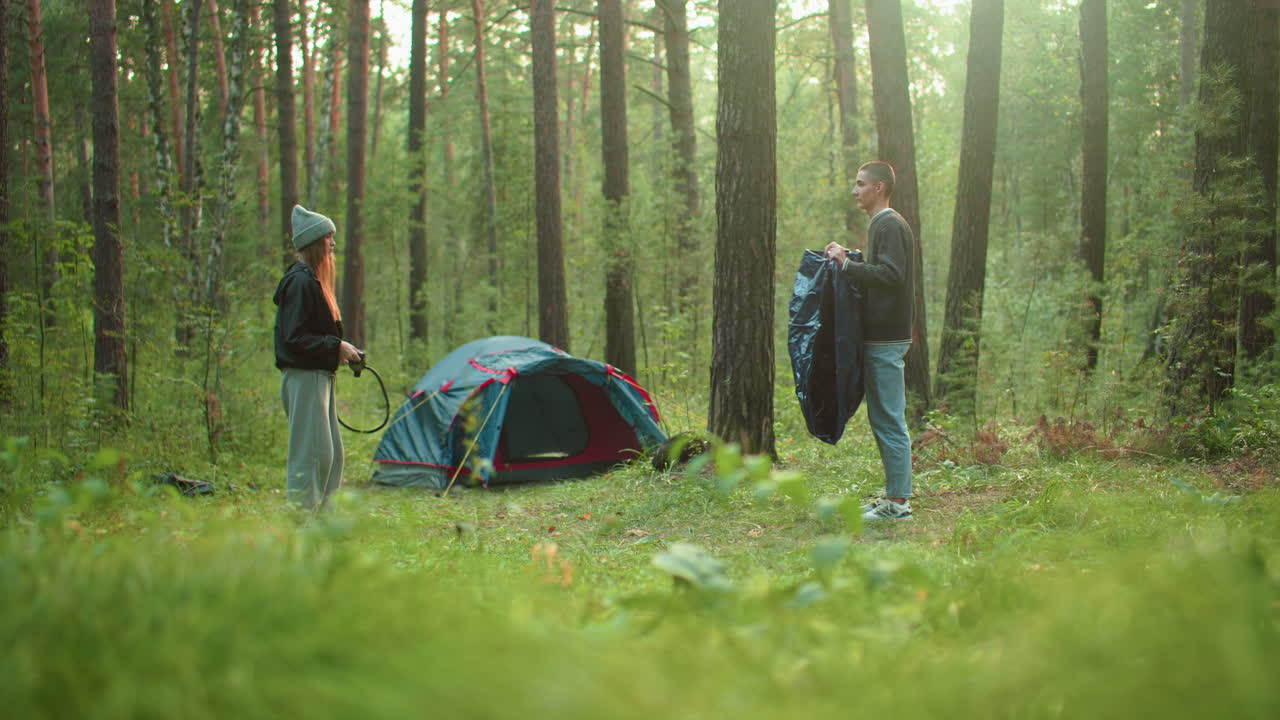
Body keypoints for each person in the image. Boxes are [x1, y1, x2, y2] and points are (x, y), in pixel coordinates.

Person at [824, 161, 915, 522]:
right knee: (883, 418)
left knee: (890, 419)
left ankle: (899, 505)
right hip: (882, 336)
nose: (855, 190)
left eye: (860, 184)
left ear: (879, 187)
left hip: (886, 337)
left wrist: (847, 264)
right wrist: (853, 261)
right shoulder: (883, 224)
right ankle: (893, 497)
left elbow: (892, 275)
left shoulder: (889, 223)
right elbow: (884, 271)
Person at [274, 205, 363, 510]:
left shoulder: (310, 281)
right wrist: (335, 347)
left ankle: (324, 524)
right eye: (328, 238)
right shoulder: (299, 283)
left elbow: (310, 335)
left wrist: (338, 348)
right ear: (314, 243)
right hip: (304, 378)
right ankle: (302, 528)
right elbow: (294, 338)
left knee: (330, 454)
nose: (333, 244)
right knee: (311, 455)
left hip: (317, 377)